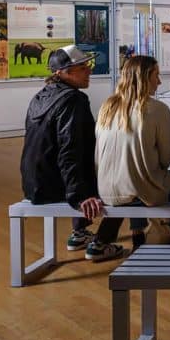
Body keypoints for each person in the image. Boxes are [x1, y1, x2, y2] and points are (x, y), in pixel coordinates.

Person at [20, 45, 124, 261]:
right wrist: (80, 197)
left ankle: (79, 233)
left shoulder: (41, 96)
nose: (89, 71)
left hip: (34, 183)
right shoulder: (73, 100)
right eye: (82, 67)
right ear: (63, 72)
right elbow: (70, 149)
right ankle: (101, 244)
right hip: (52, 186)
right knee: (122, 186)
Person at [95, 55, 170, 248]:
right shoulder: (158, 109)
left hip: (106, 191)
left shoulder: (107, 107)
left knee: (137, 178)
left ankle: (136, 235)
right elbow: (166, 159)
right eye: (156, 75)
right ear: (144, 77)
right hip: (140, 192)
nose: (159, 81)